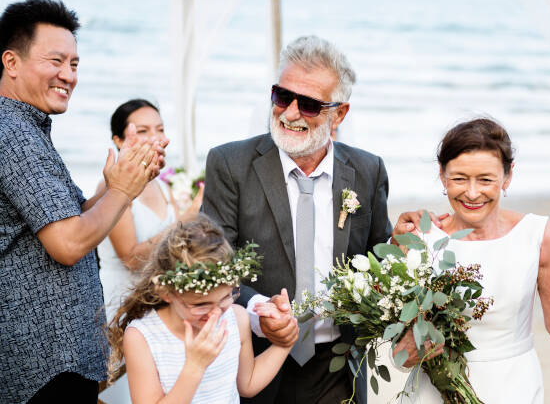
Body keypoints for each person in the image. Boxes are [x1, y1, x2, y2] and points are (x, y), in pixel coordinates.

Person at [202, 35, 395, 404]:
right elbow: (214, 268)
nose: (289, 113)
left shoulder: (368, 171)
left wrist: (400, 251)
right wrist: (261, 312)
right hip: (253, 359)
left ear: (339, 113)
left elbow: (377, 261)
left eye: (308, 105)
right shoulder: (230, 165)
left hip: (338, 365)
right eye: (281, 96)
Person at [0, 0, 166, 403]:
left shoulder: (28, 128)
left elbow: (72, 217)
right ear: (11, 62)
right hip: (42, 363)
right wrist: (124, 192)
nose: (68, 75)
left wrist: (116, 187)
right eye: (55, 61)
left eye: (74, 64)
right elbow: (69, 243)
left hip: (56, 358)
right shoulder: (13, 133)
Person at [393, 118, 550, 403]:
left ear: (507, 176)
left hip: (513, 386)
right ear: (443, 176)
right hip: (433, 391)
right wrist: (407, 351)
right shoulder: (418, 238)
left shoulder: (539, 236)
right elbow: (400, 353)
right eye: (459, 178)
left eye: (486, 179)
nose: (473, 192)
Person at [106, 215, 294, 403]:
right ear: (166, 292)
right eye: (200, 304)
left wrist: (285, 342)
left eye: (225, 297)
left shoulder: (236, 318)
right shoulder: (143, 336)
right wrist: (194, 367)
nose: (216, 313)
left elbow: (248, 385)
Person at [97, 99, 203, 403]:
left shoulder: (160, 185)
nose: (154, 137)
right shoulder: (112, 188)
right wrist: (186, 218)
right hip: (120, 303)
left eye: (159, 129)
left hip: (156, 303)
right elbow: (131, 256)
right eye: (142, 130)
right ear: (118, 140)